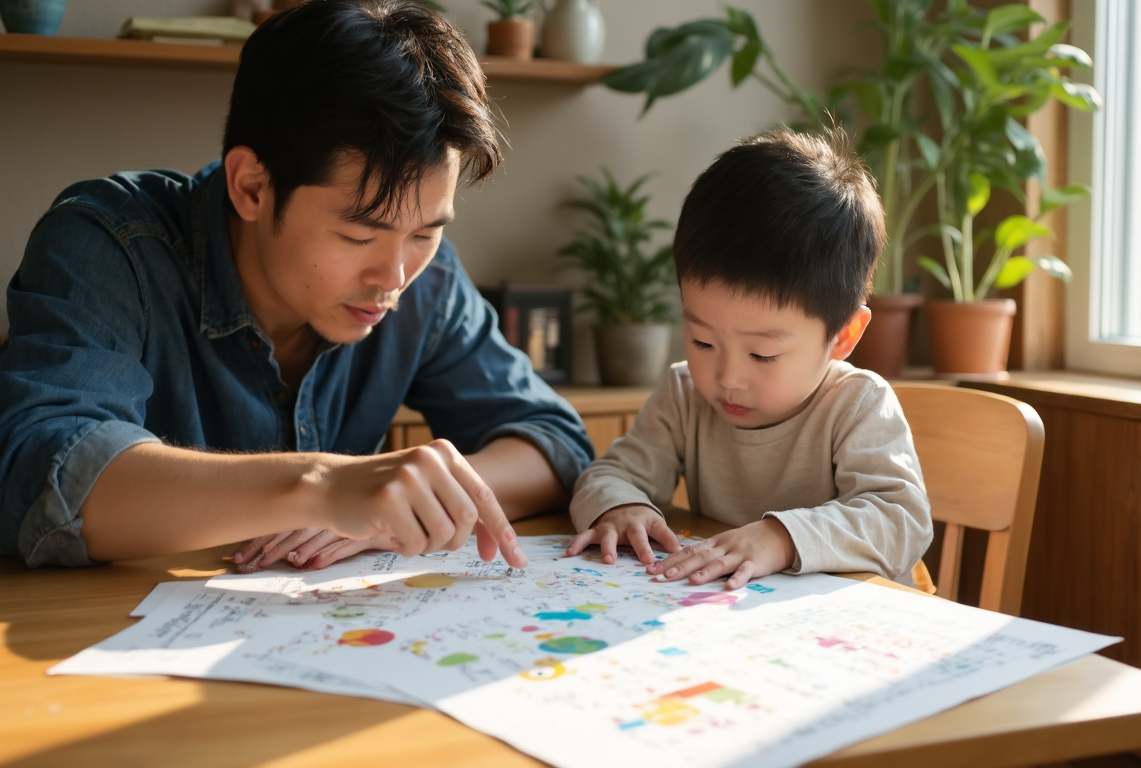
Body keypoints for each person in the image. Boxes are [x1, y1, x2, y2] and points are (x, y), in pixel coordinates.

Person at [0, 0, 593, 571]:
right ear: (252, 187)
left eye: (425, 233)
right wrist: (322, 487)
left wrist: (396, 503)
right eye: (358, 236)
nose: (394, 279)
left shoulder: (428, 280)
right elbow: (42, 471)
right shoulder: (109, 244)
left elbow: (555, 443)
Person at [566, 129, 933, 589]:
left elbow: (901, 520)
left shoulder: (857, 404)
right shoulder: (685, 394)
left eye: (762, 353)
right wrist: (620, 505)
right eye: (702, 342)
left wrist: (782, 538)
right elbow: (611, 473)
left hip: (855, 621)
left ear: (843, 336)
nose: (728, 377)